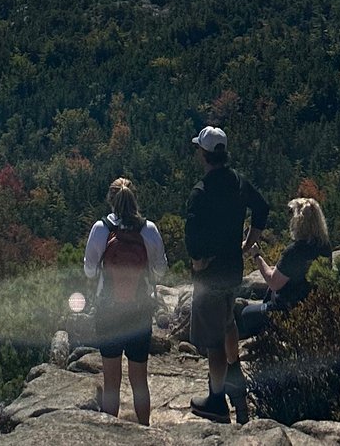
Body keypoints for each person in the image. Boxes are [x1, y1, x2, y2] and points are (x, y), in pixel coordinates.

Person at [183, 125, 269, 424]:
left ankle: (217, 400)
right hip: (233, 266)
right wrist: (248, 242)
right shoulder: (238, 182)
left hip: (211, 274)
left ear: (203, 154)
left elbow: (193, 239)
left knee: (213, 340)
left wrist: (197, 262)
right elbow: (262, 207)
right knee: (229, 320)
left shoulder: (201, 192)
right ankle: (234, 373)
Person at [82, 178, 168, 424]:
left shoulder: (101, 229)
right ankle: (145, 429)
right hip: (139, 311)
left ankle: (112, 432)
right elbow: (160, 270)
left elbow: (89, 271)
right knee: (139, 380)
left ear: (111, 200)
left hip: (108, 310)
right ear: (134, 200)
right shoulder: (148, 229)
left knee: (111, 381)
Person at [235, 196, 332, 334]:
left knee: (246, 314)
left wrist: (256, 255)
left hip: (289, 309)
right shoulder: (324, 246)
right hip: (314, 306)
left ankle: (270, 341)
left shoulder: (294, 251)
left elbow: (274, 282)